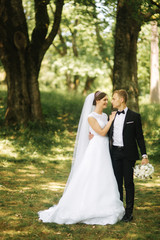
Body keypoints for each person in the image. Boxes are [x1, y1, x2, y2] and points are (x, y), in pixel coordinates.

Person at [38, 91, 125, 225]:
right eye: (104, 100)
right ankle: (85, 204)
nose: (107, 103)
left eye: (108, 100)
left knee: (104, 175)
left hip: (104, 149)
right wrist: (111, 120)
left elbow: (109, 132)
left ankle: (103, 203)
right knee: (91, 174)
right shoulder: (91, 117)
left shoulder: (106, 115)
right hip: (96, 148)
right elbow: (101, 132)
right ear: (97, 101)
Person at [110, 89, 149, 222]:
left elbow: (140, 137)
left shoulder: (134, 116)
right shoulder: (111, 116)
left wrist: (144, 155)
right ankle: (118, 210)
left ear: (122, 100)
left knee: (128, 183)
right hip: (114, 153)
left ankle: (129, 213)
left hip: (128, 154)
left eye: (114, 98)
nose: (112, 101)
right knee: (116, 183)